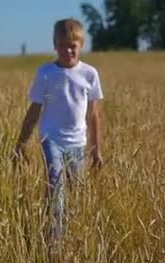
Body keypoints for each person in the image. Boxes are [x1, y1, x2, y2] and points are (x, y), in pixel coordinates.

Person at [14, 18, 104, 244]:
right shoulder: (46, 74)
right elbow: (36, 109)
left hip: (78, 142)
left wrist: (96, 151)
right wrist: (21, 143)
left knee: (76, 189)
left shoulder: (89, 75)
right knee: (56, 185)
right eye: (62, 45)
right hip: (50, 138)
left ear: (81, 45)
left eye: (72, 45)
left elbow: (93, 115)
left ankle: (73, 235)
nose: (67, 50)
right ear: (55, 45)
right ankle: (54, 239)